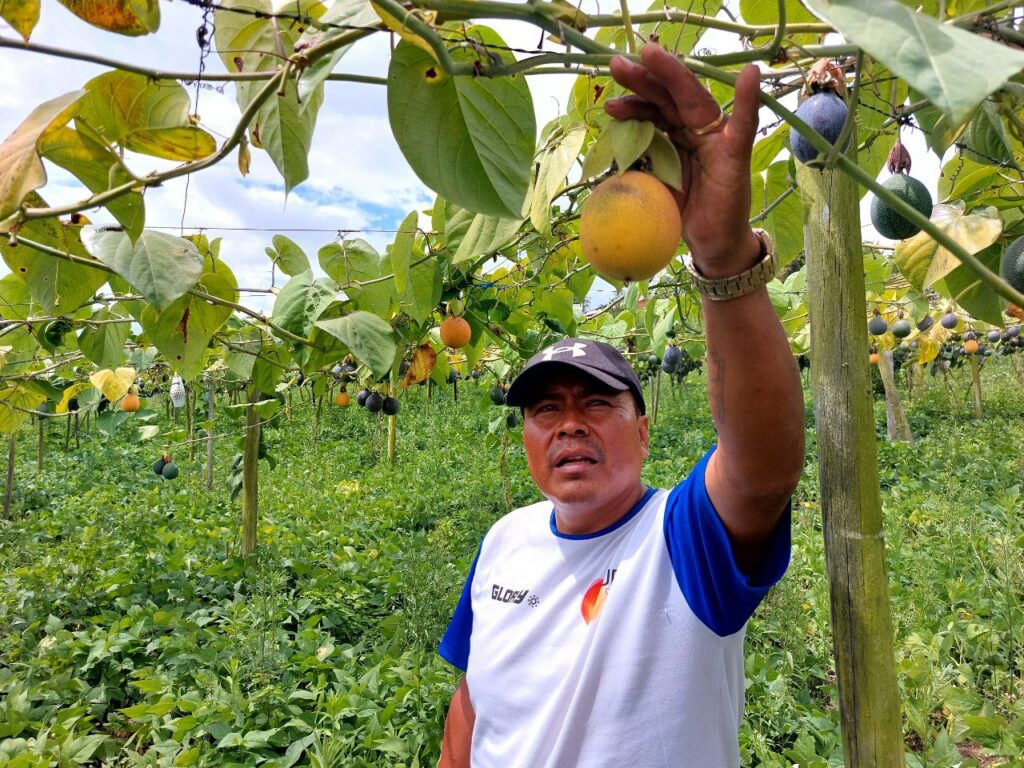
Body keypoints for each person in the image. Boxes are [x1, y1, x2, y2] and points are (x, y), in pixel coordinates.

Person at [436, 42, 805, 768]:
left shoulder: (682, 541)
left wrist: (725, 261)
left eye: (595, 404)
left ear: (643, 433)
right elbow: (472, 701)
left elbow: (763, 473)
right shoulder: (504, 542)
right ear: (526, 443)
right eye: (545, 410)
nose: (568, 421)